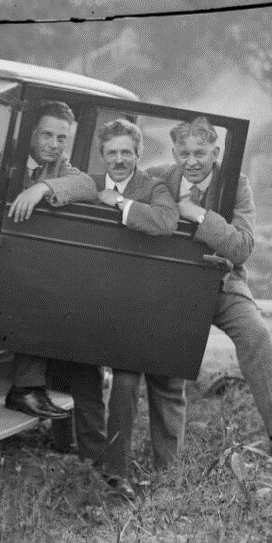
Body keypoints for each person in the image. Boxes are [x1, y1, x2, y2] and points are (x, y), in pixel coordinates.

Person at [149, 116, 272, 459]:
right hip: (175, 286)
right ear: (174, 152)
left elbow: (242, 247)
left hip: (222, 281)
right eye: (184, 153)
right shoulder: (159, 177)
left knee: (257, 335)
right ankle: (168, 462)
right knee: (168, 362)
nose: (192, 162)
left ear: (216, 152)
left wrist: (199, 215)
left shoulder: (235, 184)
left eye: (200, 153)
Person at [2, 102, 104, 468]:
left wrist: (42, 187)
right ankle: (27, 388)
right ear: (30, 133)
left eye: (62, 138)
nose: (55, 144)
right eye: (47, 134)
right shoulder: (1, 158)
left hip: (26, 268)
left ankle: (34, 391)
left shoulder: (59, 169)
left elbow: (88, 184)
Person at [89, 119, 181, 500]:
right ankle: (95, 463)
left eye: (127, 152)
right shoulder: (92, 184)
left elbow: (166, 220)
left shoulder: (152, 187)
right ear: (102, 155)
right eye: (112, 152)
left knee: (126, 382)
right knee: (81, 375)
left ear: (138, 154)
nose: (119, 159)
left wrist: (123, 204)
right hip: (98, 292)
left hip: (140, 298)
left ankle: (118, 474)